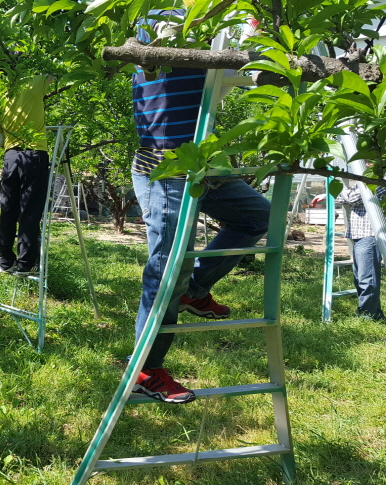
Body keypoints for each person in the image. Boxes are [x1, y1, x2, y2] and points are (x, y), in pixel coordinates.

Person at [129, 8, 271, 404]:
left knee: (258, 217)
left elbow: (233, 72)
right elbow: (159, 47)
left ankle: (194, 288)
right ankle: (146, 370)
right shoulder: (161, 16)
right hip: (165, 165)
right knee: (165, 270)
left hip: (202, 161)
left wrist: (254, 35)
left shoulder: (217, 23)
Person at [0, 70, 55, 276]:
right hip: (35, 154)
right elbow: (56, 74)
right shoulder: (37, 81)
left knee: (8, 208)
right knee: (30, 210)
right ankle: (25, 263)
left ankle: (5, 261)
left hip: (11, 156)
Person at [313, 182, 386, 320]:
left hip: (370, 234)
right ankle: (375, 313)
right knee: (361, 277)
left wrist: (336, 190)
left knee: (367, 279)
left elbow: (354, 197)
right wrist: (332, 194)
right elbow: (347, 198)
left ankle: (367, 315)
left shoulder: (378, 179)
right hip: (359, 233)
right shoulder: (363, 180)